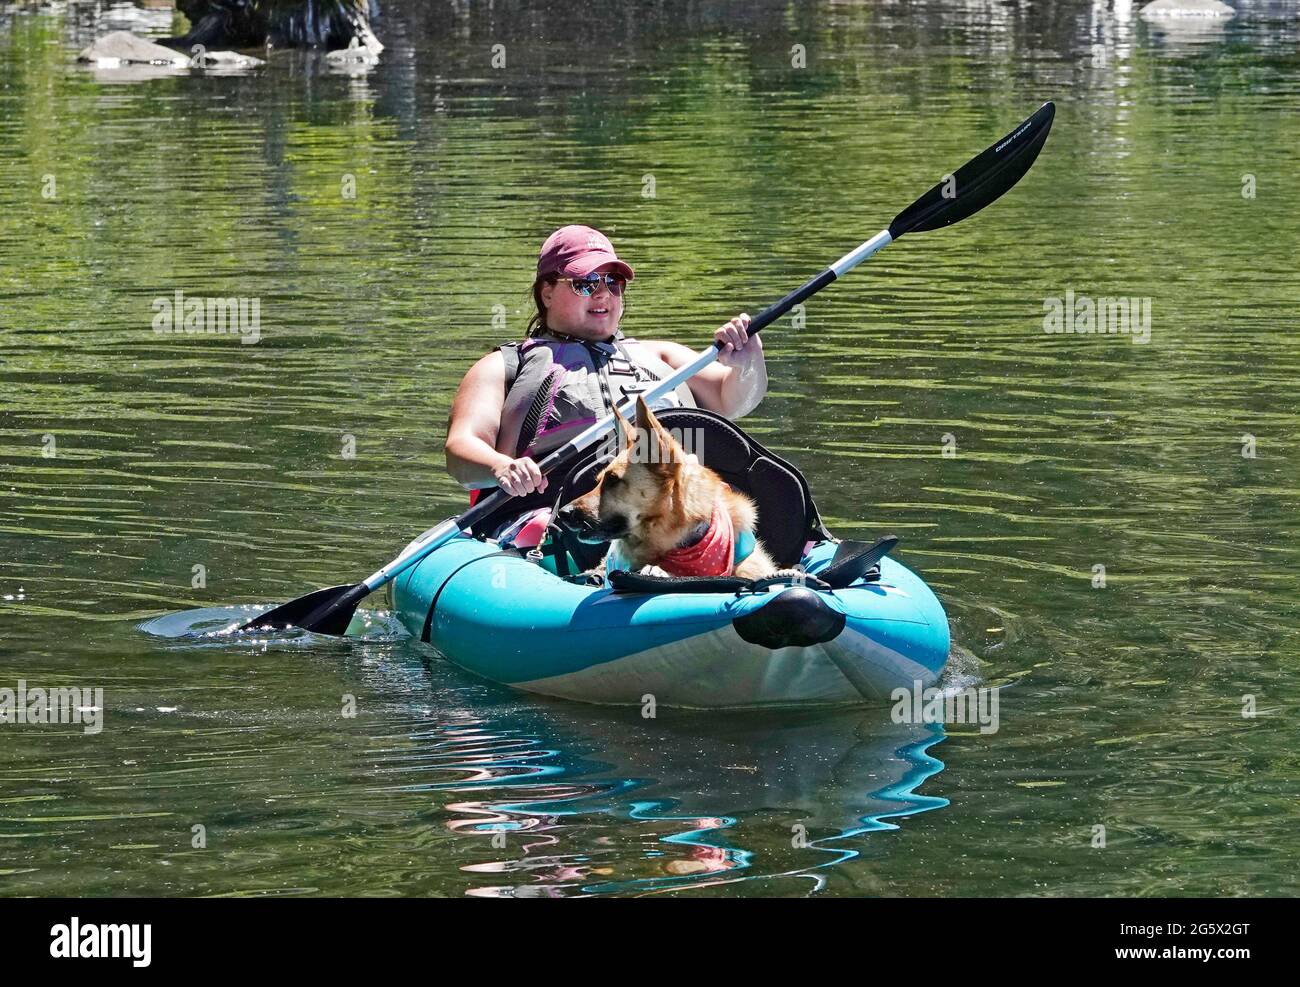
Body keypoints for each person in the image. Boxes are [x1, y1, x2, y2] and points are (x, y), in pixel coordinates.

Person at [445, 225, 768, 503]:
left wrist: (747, 362)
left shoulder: (664, 356)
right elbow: (462, 449)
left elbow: (734, 400)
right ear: (547, 293)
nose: (603, 294)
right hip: (557, 511)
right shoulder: (502, 366)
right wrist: (500, 467)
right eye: (585, 283)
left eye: (613, 282)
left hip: (674, 509)